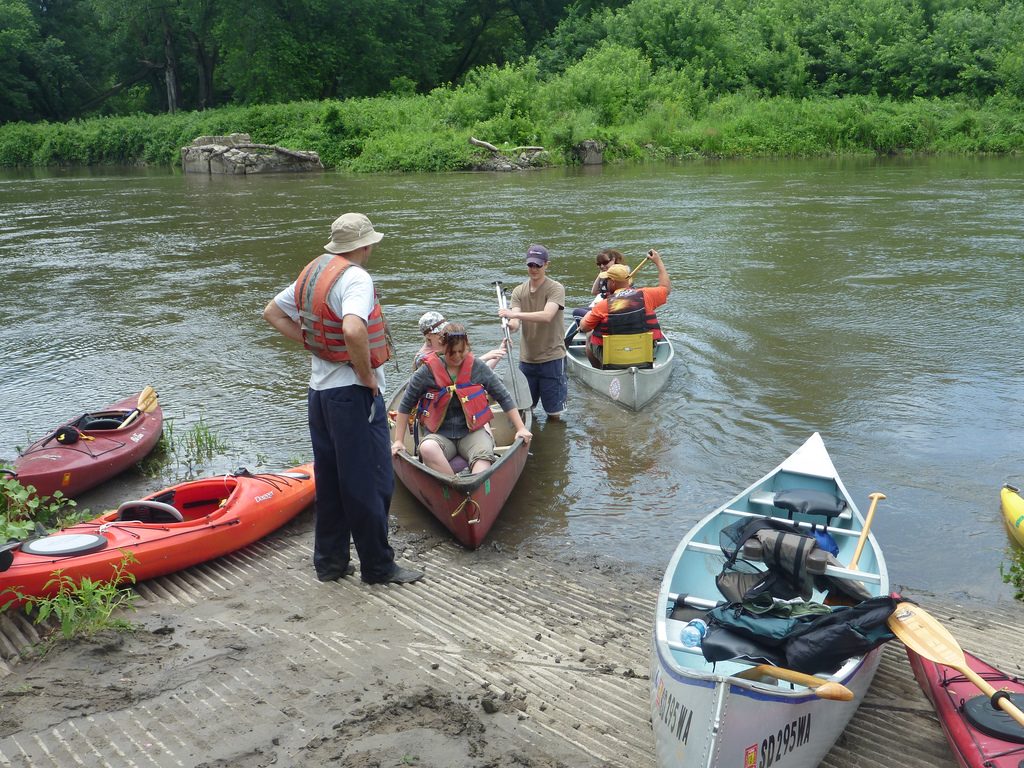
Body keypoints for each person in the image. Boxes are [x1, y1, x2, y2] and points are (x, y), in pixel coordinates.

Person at [263, 212, 423, 585]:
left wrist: (315, 346)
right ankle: (378, 567)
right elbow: (353, 327)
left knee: (332, 481)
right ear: (365, 245)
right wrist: (365, 375)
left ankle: (330, 564)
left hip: (319, 396)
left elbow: (273, 312)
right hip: (352, 396)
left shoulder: (315, 271)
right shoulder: (356, 278)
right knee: (371, 482)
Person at [392, 324, 532, 475]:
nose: (457, 356)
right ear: (442, 346)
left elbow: (503, 396)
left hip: (472, 432)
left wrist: (521, 428)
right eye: (452, 352)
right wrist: (399, 440)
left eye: (461, 351)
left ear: (467, 346)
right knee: (427, 448)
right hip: (440, 434)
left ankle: (473, 486)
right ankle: (454, 485)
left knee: (484, 456)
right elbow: (406, 404)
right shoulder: (426, 371)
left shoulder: (477, 367)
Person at [497, 245, 569, 421]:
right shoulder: (519, 291)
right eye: (530, 265)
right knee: (526, 411)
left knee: (554, 414)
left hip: (552, 358)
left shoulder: (555, 289)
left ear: (546, 265)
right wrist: (510, 326)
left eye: (538, 265)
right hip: (527, 360)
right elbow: (515, 323)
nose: (534, 269)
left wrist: (513, 314)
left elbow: (547, 316)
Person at [578, 248, 671, 369]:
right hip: (644, 352)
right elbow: (666, 288)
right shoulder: (647, 295)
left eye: (606, 280)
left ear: (612, 282)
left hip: (613, 356)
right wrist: (658, 262)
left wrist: (586, 317)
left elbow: (584, 328)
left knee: (590, 335)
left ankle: (600, 370)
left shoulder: (602, 305)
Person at [413, 311, 507, 371]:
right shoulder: (423, 359)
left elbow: (477, 370)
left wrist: (500, 351)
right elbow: (452, 371)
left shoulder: (451, 349)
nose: (444, 335)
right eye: (439, 333)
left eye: (445, 332)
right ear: (428, 335)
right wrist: (484, 358)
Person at [571, 248, 631, 322]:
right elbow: (594, 292)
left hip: (613, 309)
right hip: (606, 306)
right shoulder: (605, 274)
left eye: (605, 263)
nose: (602, 266)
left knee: (577, 313)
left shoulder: (622, 272)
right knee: (578, 311)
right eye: (599, 264)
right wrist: (601, 273)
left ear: (613, 260)